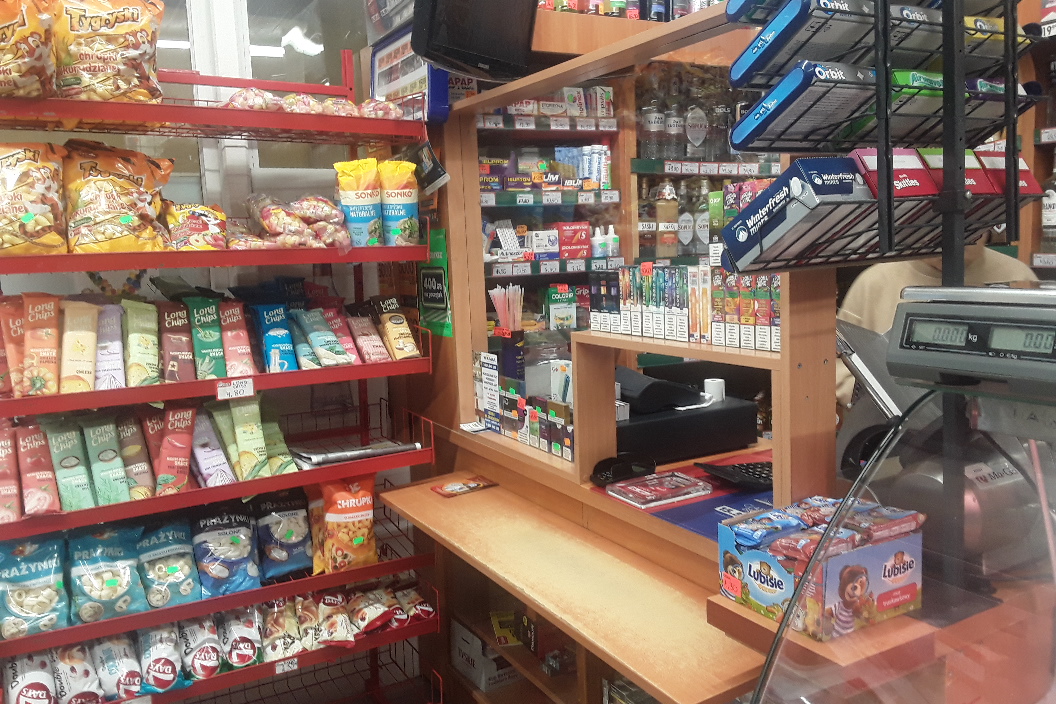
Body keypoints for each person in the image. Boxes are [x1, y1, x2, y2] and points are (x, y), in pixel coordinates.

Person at [836, 239, 1037, 407]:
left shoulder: (1019, 279)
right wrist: (884, 402)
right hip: (895, 427)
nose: (954, 236)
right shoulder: (873, 284)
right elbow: (840, 370)